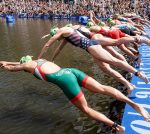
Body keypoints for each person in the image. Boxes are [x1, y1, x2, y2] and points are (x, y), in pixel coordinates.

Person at [0, 55, 150, 134]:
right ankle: (134, 105)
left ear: (25, 64)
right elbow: (19, 63)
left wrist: (6, 66)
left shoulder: (27, 66)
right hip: (71, 71)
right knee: (102, 87)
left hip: (65, 80)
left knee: (86, 109)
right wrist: (6, 61)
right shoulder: (38, 60)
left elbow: (15, 68)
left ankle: (117, 127)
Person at [38, 26, 149, 85]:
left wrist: (39, 58)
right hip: (93, 42)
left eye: (58, 38)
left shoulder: (62, 32)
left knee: (114, 61)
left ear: (57, 34)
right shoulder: (68, 32)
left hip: (91, 46)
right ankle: (141, 39)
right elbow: (59, 49)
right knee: (116, 43)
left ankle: (138, 74)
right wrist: (52, 59)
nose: (60, 40)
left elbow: (48, 44)